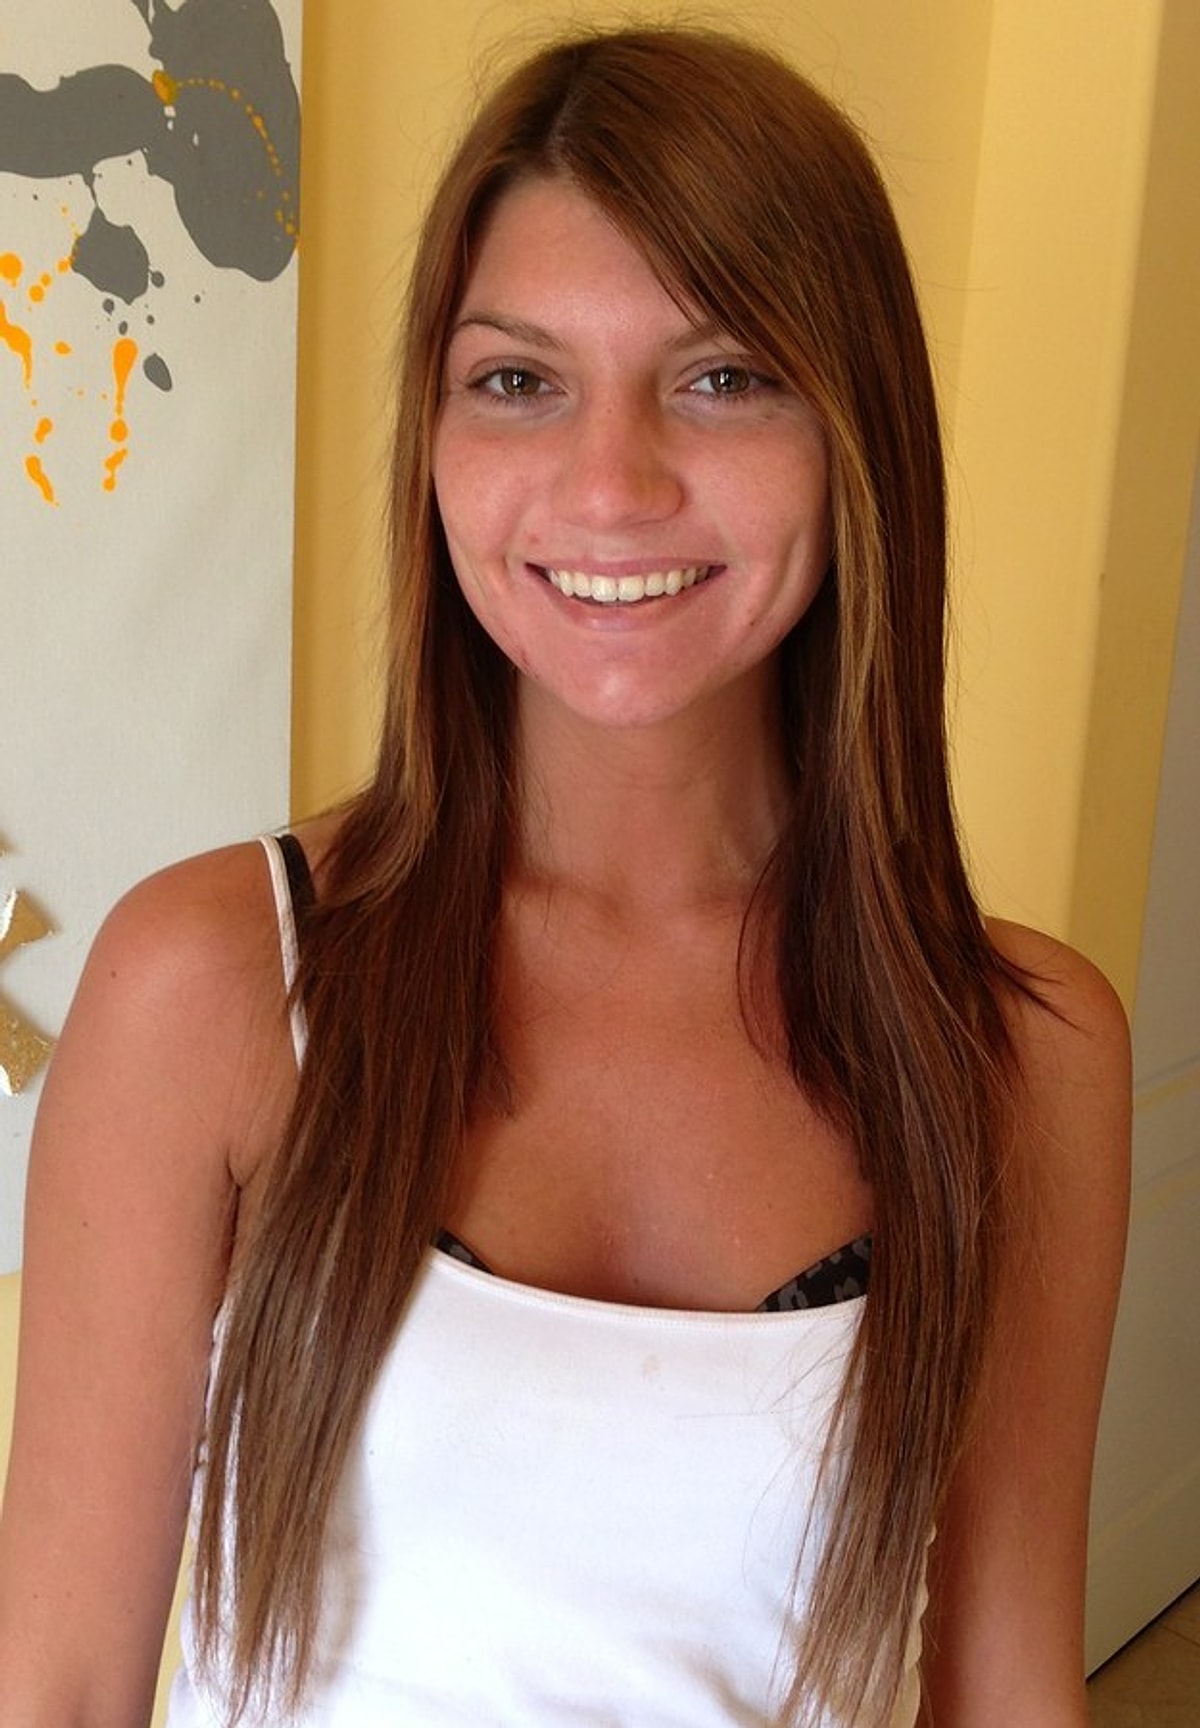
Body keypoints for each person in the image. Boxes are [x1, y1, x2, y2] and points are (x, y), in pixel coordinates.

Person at [0, 26, 1130, 1728]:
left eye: (724, 376)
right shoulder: (216, 981)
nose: (612, 485)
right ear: (434, 436)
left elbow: (1011, 1684)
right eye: (519, 381)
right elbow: (60, 1686)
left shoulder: (1022, 1054)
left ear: (858, 433)